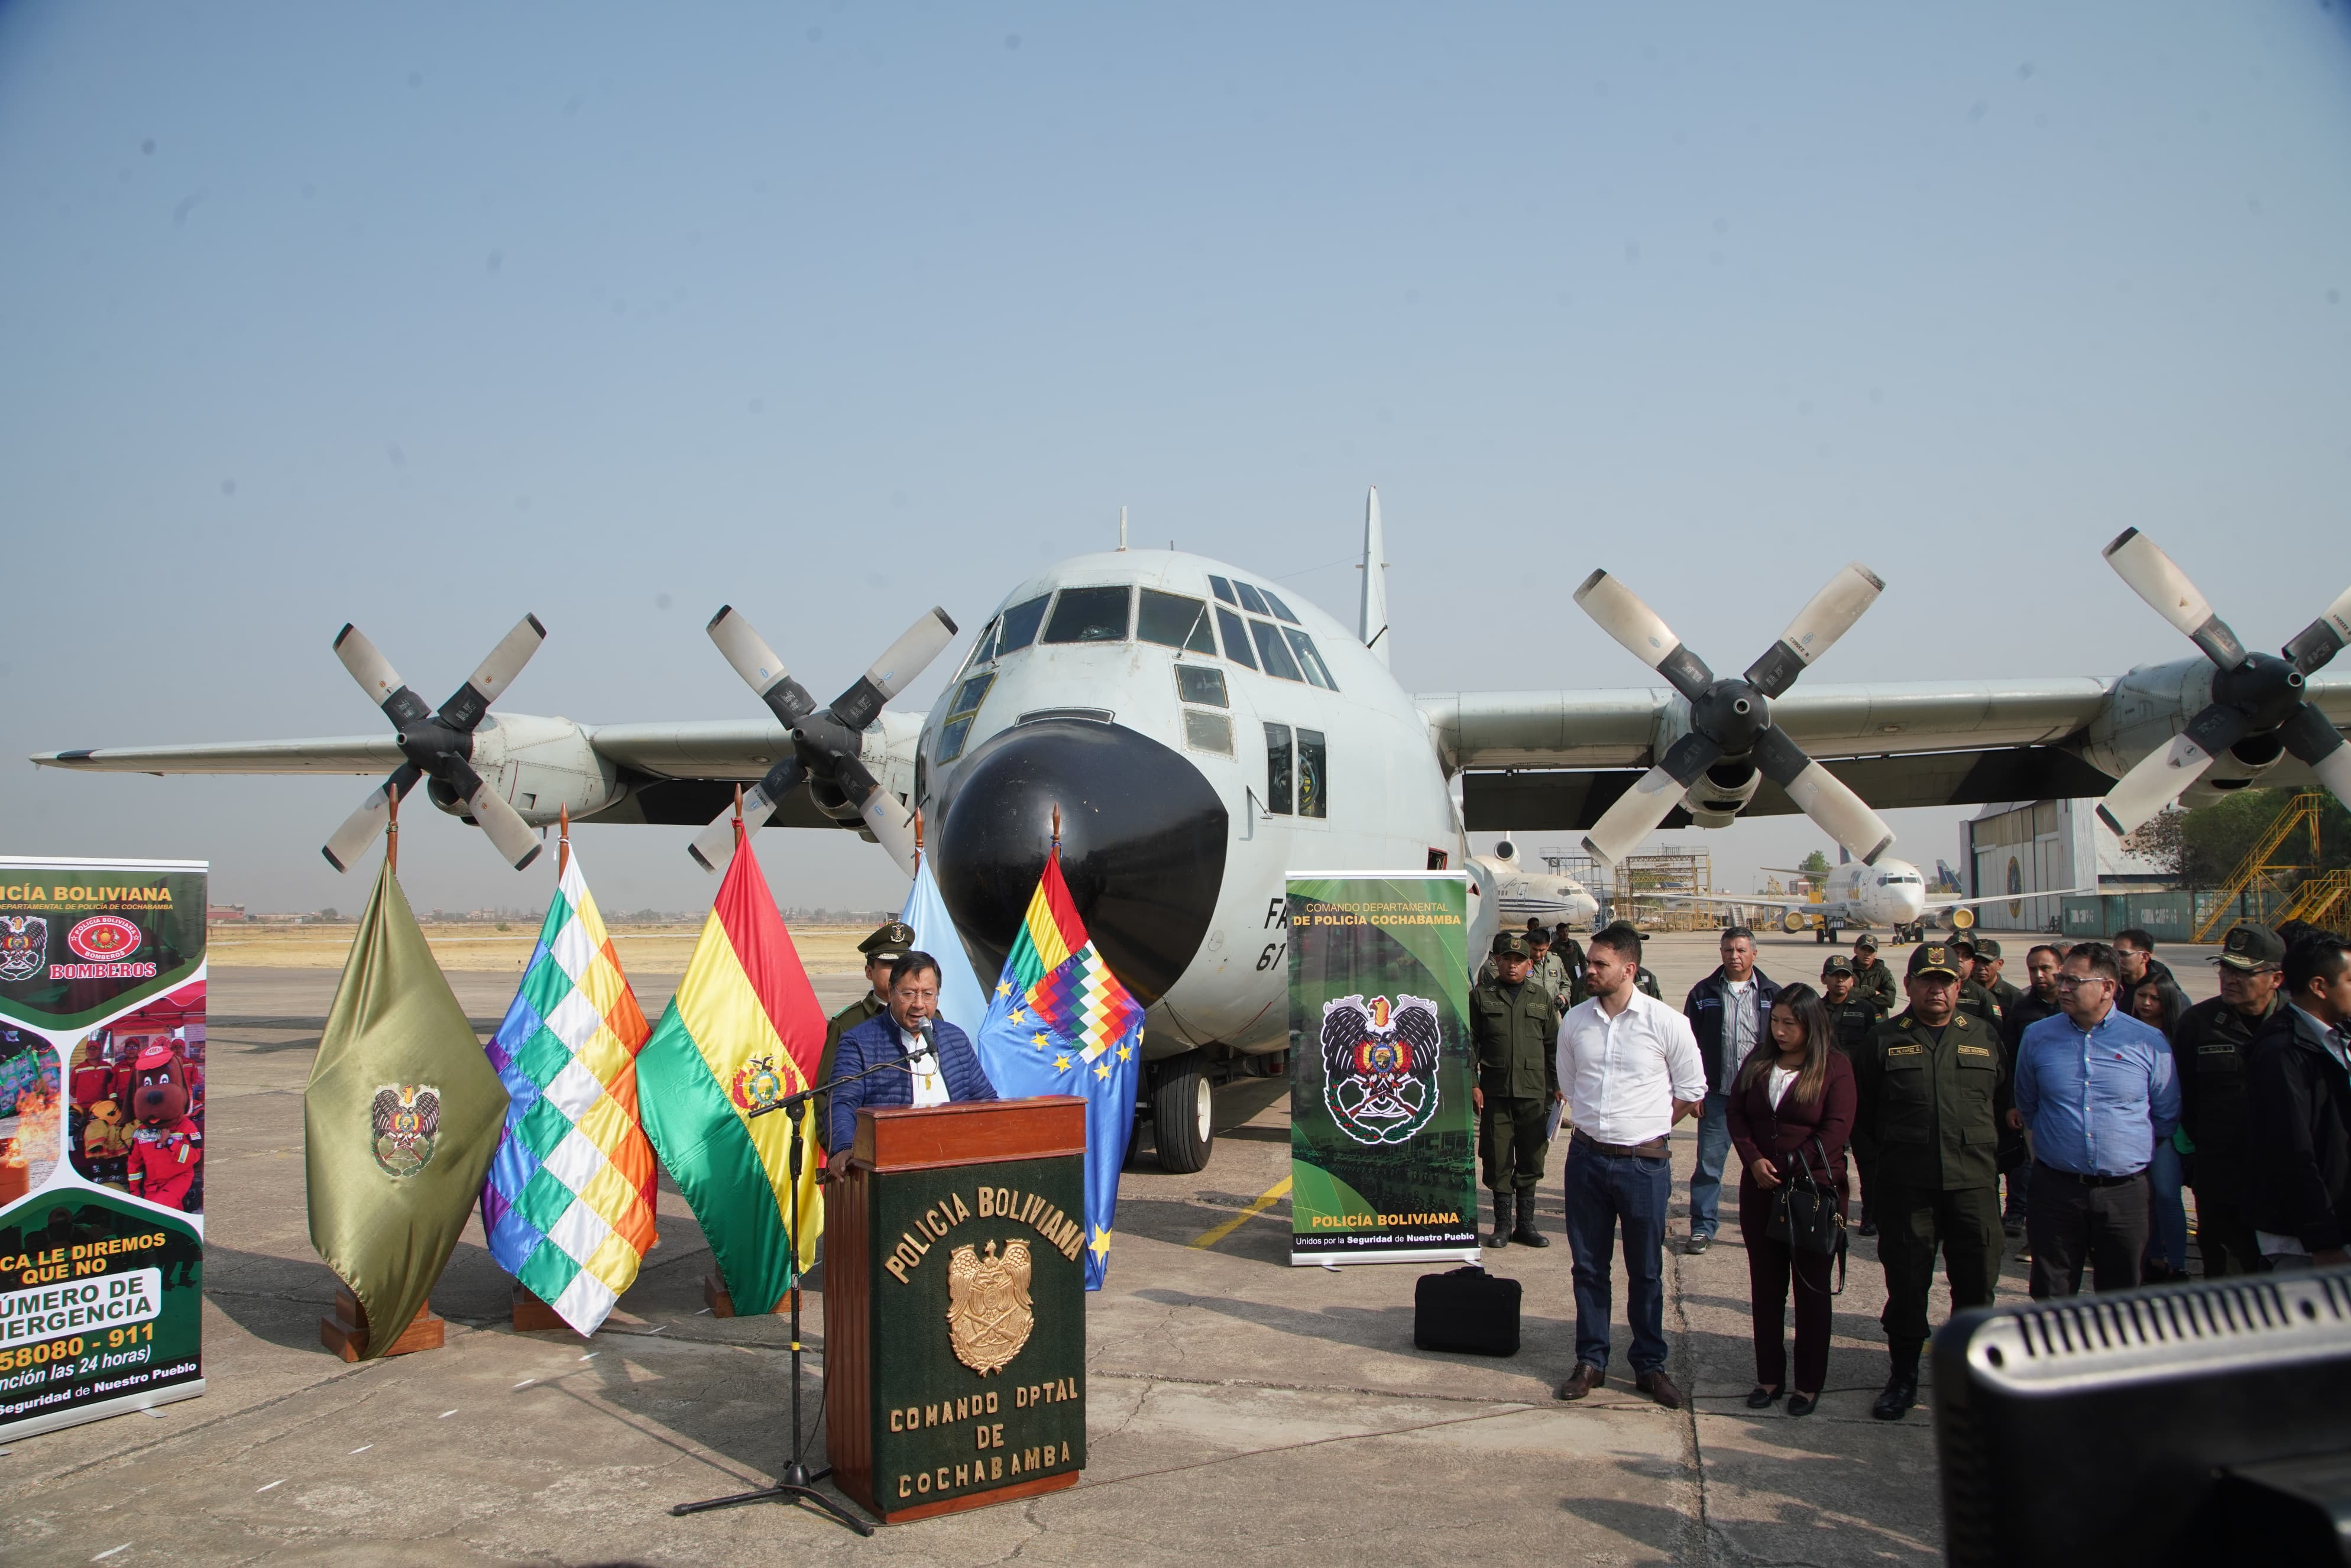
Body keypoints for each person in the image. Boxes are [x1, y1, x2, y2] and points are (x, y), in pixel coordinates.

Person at [1851, 942, 2009, 1421]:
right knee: (1907, 1284)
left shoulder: (1984, 1035)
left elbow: (2007, 1105)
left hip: (1973, 1186)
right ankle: (1903, 1379)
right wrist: (1880, 1178)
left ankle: (1972, 1382)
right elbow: (1863, 1118)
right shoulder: (1883, 1039)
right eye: (1926, 980)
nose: (1936, 990)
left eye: (1945, 981)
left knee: (1977, 1285)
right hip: (1908, 1188)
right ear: (1909, 985)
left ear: (1960, 986)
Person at [1554, 922, 1706, 1410]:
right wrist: (1603, 1125)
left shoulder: (1667, 1023)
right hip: (1587, 1159)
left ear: (1629, 968)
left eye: (1600, 964)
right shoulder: (1575, 1021)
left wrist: (1648, 1126)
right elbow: (1570, 1085)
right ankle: (1591, 1360)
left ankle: (1649, 1365)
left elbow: (1692, 1089)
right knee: (1589, 1267)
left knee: (1645, 1270)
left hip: (1643, 1164)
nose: (1590, 971)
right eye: (1589, 963)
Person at [2011, 944, 2178, 1298]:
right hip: (2057, 1189)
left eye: (2073, 980)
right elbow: (2029, 1106)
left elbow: (2164, 1116)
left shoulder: (2148, 1042)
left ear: (2107, 987)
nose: (2063, 987)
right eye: (2062, 979)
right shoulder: (2038, 1037)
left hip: (2126, 1194)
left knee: (2121, 1295)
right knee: (2051, 1291)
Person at [1727, 983, 1855, 1418]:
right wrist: (1754, 1160)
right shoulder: (1759, 1062)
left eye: (1790, 1024)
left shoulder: (1834, 1068)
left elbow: (1836, 1129)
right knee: (1766, 1288)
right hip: (1761, 1190)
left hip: (1811, 1195)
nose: (1780, 1032)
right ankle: (1769, 1377)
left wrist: (1788, 1166)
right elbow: (1737, 1113)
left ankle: (1808, 1383)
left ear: (1810, 1025)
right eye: (1775, 1022)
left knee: (1811, 1291)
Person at [2171, 922, 2288, 1276]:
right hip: (2221, 1176)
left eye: (2243, 971)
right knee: (2226, 1279)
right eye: (2225, 968)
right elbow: (2184, 1097)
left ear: (2276, 979)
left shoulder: (2296, 1023)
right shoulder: (2199, 1022)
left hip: (2284, 1176)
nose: (2230, 979)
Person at [2246, 934, 2351, 1270]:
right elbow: (2291, 1151)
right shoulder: (2283, 1051)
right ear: (2320, 986)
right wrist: (2322, 1239)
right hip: (2307, 1242)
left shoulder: (2338, 1038)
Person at [827, 951, 998, 1154]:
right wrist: (845, 1147)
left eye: (928, 994)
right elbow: (842, 1105)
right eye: (908, 994)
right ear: (891, 992)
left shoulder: (955, 1040)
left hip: (954, 1159)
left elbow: (986, 1101)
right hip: (891, 1161)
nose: (919, 1004)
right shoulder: (858, 1043)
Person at [1682, 927, 1780, 1254]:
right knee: (1709, 1167)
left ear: (1754, 953)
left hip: (1762, 1100)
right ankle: (1702, 1227)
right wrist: (1694, 1093)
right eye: (1728, 950)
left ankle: (1773, 1224)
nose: (1734, 956)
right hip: (1718, 1098)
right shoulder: (1703, 994)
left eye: (1740, 950)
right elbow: (1689, 1047)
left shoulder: (1772, 994)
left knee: (1768, 1166)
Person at [1471, 932, 1561, 1249]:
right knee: (1497, 1158)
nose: (1512, 966)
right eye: (1507, 959)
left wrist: (1559, 1086)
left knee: (1532, 1157)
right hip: (1495, 1092)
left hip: (1535, 1093)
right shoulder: (1482, 996)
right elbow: (1472, 1043)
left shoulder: (1540, 998)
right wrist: (1473, 1083)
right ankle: (1501, 1225)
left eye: (1519, 960)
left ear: (1529, 964)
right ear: (1497, 961)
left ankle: (1526, 1225)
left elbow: (1553, 1046)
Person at [817, 920, 915, 1144]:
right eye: (889, 966)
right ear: (869, 972)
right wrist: (841, 1149)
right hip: (867, 1146)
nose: (898, 974)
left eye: (904, 966)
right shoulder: (849, 1023)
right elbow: (827, 1094)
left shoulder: (931, 1019)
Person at [1997, 944, 2067, 1237]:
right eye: (2033, 969)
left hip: (2065, 1099)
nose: (2039, 975)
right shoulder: (2022, 1006)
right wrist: (2013, 1102)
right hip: (2032, 1098)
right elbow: (2012, 1056)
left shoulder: (2072, 1003)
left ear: (2061, 969)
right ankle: (2019, 1212)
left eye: (2046, 968)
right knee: (2027, 1161)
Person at [2127, 976, 2191, 1284]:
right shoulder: (2124, 1033)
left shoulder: (2179, 1037)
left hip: (2168, 1131)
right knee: (2145, 1199)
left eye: (2155, 998)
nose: (2147, 1004)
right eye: (2142, 996)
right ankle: (2153, 1259)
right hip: (2134, 1128)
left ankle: (2177, 1263)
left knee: (2167, 1195)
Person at [1821, 955, 1882, 1233]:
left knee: (1868, 1160)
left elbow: (1876, 1052)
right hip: (1827, 1097)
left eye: (1845, 976)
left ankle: (1871, 1213)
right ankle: (1833, 1210)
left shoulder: (1867, 1010)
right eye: (1834, 975)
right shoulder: (1816, 1011)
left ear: (1852, 980)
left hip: (1861, 1096)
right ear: (1824, 979)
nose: (1840, 981)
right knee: (1830, 1157)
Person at [2114, 928, 2190, 1018]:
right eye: (2114, 954)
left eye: (2124, 954)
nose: (2117, 959)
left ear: (2144, 957)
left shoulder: (2168, 992)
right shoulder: (2110, 987)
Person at [1973, 938, 2023, 1018]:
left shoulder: (2014, 997)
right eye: (1975, 961)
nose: (1980, 967)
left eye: (1986, 962)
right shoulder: (1958, 992)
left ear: (1999, 964)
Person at [1851, 932, 1898, 1016]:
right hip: (1853, 1022)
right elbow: (1845, 993)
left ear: (1876, 953)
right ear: (1855, 950)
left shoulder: (1884, 973)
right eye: (1863, 949)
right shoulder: (1848, 971)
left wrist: (1858, 997)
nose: (1867, 954)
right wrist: (1872, 992)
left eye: (1871, 951)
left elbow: (1890, 1001)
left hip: (1878, 1024)